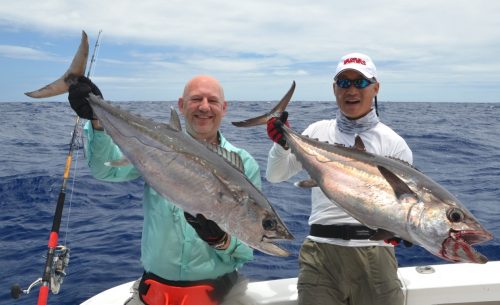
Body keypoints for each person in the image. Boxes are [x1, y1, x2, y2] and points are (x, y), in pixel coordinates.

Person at [68, 75, 261, 305]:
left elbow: (249, 248)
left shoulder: (243, 164)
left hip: (221, 296)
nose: (204, 107)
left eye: (212, 100)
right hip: (155, 295)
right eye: (196, 99)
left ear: (224, 107)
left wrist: (223, 241)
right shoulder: (154, 148)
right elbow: (105, 170)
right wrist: (97, 120)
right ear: (181, 105)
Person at [265, 53, 413, 305]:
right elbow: (275, 176)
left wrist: (402, 230)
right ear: (335, 89)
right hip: (321, 254)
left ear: (376, 88)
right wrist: (281, 144)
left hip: (376, 254)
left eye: (361, 82)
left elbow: (405, 205)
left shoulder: (394, 144)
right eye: (344, 83)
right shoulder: (316, 132)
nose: (351, 90)